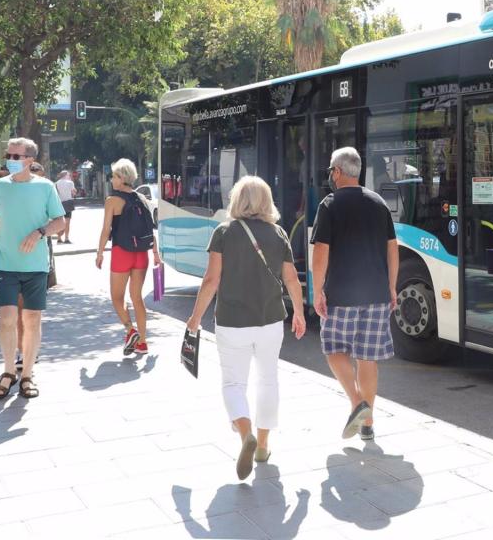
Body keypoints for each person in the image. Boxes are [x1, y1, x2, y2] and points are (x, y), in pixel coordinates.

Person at [186, 175, 306, 480]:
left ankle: (245, 436)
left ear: (237, 200)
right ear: (266, 201)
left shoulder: (224, 232)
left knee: (233, 384)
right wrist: (300, 313)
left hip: (232, 322)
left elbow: (212, 280)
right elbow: (291, 278)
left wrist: (196, 316)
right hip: (271, 320)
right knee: (268, 381)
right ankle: (263, 445)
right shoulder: (278, 233)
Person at [310, 147, 399, 442]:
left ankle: (357, 403)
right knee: (367, 359)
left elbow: (321, 253)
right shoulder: (378, 203)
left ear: (337, 172)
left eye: (330, 172)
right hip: (376, 293)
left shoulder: (329, 204)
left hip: (342, 293)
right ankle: (368, 424)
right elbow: (392, 249)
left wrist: (317, 289)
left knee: (334, 350)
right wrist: (392, 287)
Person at [0, 138, 66, 400]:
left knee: (32, 320)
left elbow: (60, 221)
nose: (11, 159)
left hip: (36, 266)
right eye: (9, 155)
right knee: (6, 318)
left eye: (16, 156)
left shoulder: (45, 187)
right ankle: (8, 371)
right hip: (6, 264)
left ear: (30, 159)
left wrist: (40, 232)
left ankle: (27, 374)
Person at [96, 159, 160, 355]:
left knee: (117, 298)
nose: (112, 179)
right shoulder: (141, 198)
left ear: (122, 178)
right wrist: (156, 253)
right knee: (137, 298)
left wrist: (99, 252)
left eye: (114, 175)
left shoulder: (112, 200)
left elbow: (106, 229)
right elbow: (150, 228)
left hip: (122, 253)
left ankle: (130, 330)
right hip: (142, 254)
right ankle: (142, 342)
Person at [56, 170, 76, 243]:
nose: (69, 176)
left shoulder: (57, 183)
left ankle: (59, 238)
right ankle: (66, 238)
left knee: (59, 221)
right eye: (68, 175)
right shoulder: (70, 183)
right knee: (67, 222)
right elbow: (73, 193)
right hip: (68, 203)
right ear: (66, 175)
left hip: (59, 204)